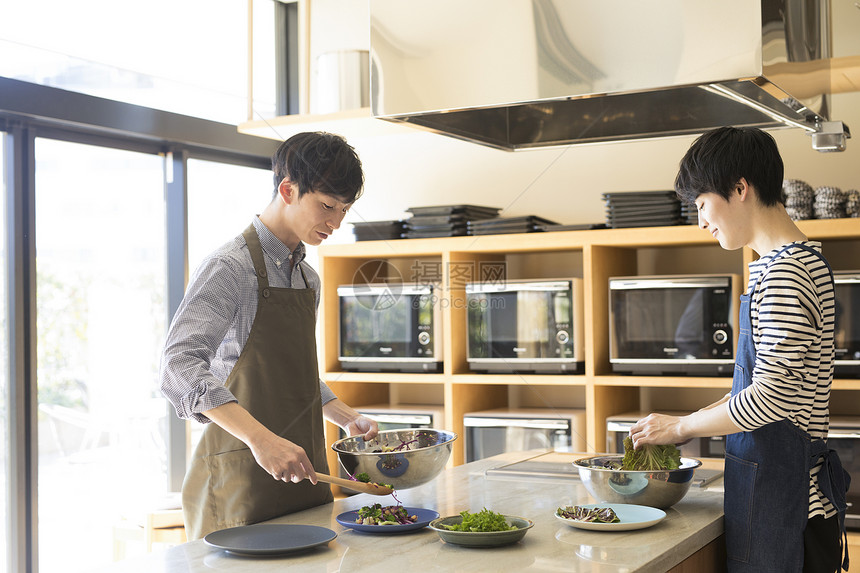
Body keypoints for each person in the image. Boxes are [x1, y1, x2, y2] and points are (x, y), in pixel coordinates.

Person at [629, 126, 850, 572]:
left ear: (740, 188)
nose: (701, 221)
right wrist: (681, 424)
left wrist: (682, 428)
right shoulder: (786, 264)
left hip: (789, 507)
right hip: (777, 494)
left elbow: (772, 398)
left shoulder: (786, 273)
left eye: (703, 205)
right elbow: (760, 386)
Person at [159, 131, 379, 540]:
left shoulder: (306, 278)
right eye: (327, 206)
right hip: (239, 481)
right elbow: (178, 365)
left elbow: (288, 372)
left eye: (344, 209)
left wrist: (347, 417)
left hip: (304, 476)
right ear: (288, 189)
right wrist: (262, 440)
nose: (335, 222)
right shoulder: (229, 268)